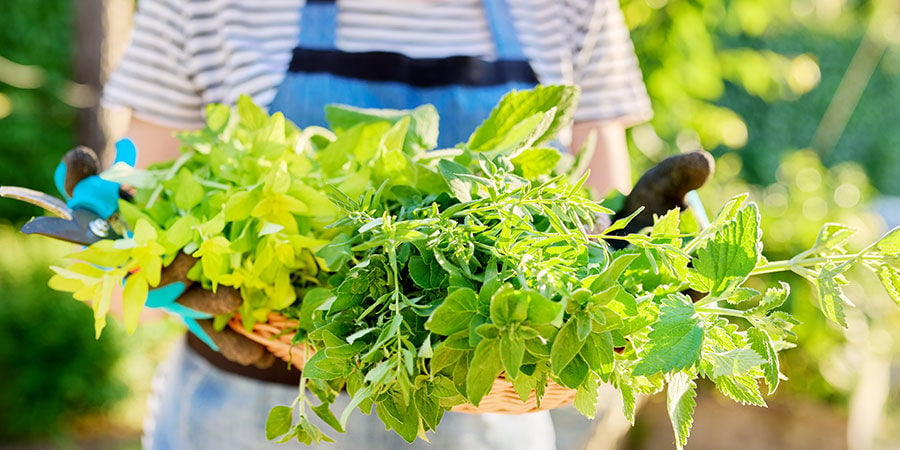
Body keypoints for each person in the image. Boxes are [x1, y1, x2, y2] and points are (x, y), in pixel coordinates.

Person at [101, 0, 654, 448]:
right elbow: (142, 196)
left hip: (481, 418)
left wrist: (639, 265)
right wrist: (118, 238)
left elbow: (598, 210)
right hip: (248, 413)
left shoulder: (571, 7)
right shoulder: (204, 6)